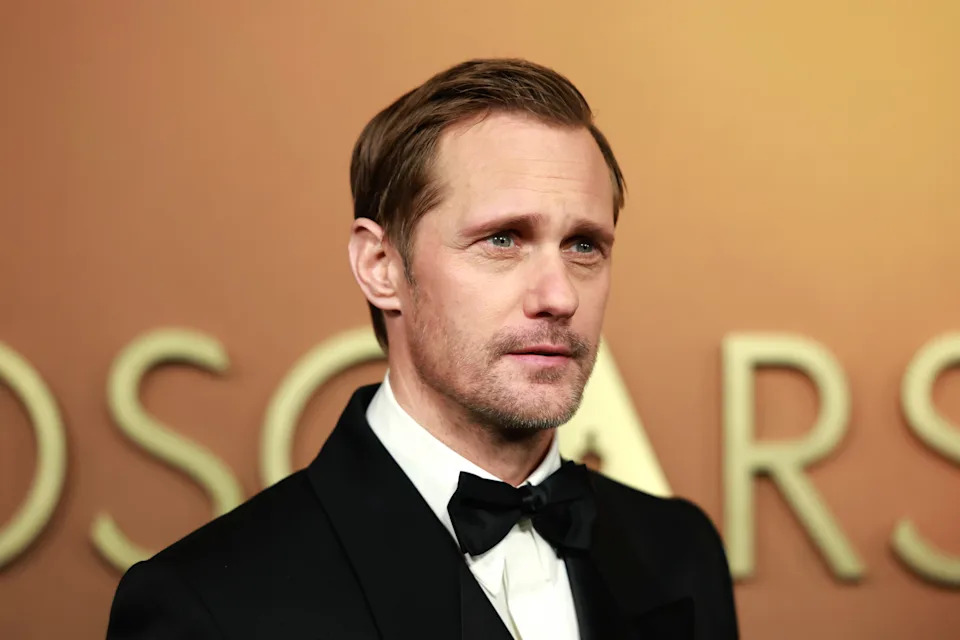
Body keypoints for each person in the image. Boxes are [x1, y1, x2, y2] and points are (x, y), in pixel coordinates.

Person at [106, 58, 738, 640]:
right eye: (502, 239)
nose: (559, 296)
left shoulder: (680, 553)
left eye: (584, 246)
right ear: (381, 266)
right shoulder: (207, 605)